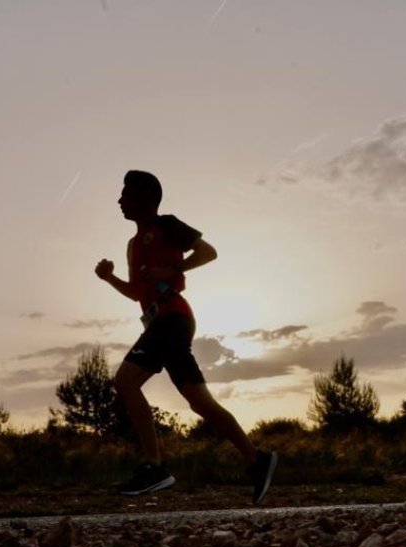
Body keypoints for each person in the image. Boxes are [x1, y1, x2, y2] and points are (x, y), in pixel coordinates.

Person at [94, 170, 278, 503]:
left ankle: (154, 467)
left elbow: (208, 252)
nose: (119, 200)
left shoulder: (167, 225)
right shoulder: (133, 245)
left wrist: (173, 270)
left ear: (145, 198)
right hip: (161, 323)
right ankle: (257, 458)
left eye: (125, 194)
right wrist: (110, 278)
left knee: (125, 382)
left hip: (173, 318)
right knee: (199, 402)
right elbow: (137, 293)